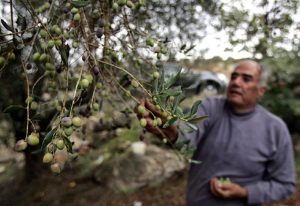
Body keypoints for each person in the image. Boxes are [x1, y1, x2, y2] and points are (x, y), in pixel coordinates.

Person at [138, 60, 296, 206]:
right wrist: (171, 132)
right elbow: (186, 138)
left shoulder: (275, 129)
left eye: (246, 79)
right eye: (234, 76)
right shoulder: (209, 108)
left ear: (261, 90)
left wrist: (245, 192)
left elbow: (285, 185)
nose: (235, 82)